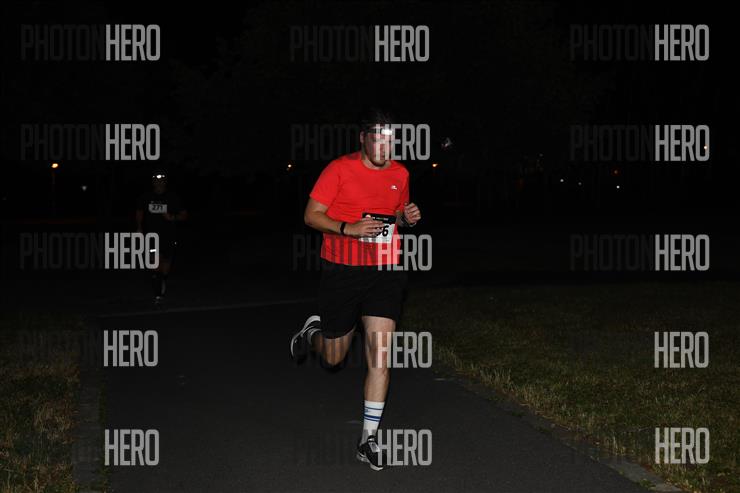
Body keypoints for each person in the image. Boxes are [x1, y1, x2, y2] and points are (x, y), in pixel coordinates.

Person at [289, 108, 422, 470]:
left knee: (380, 355)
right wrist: (348, 228)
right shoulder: (339, 169)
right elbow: (311, 215)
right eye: (376, 139)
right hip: (343, 271)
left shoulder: (400, 173)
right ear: (362, 139)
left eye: (389, 141)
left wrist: (407, 218)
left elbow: (394, 215)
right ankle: (314, 332)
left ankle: (368, 440)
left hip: (386, 270)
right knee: (334, 356)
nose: (383, 147)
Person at [135, 169, 188, 303]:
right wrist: (139, 228)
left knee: (166, 266)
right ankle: (158, 295)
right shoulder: (146, 197)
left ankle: (162, 280)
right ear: (153, 182)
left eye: (161, 180)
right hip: (152, 236)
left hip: (169, 235)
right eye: (156, 180)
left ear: (165, 182)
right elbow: (139, 212)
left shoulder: (173, 197)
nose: (159, 183)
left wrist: (172, 217)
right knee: (155, 265)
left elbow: (184, 215)